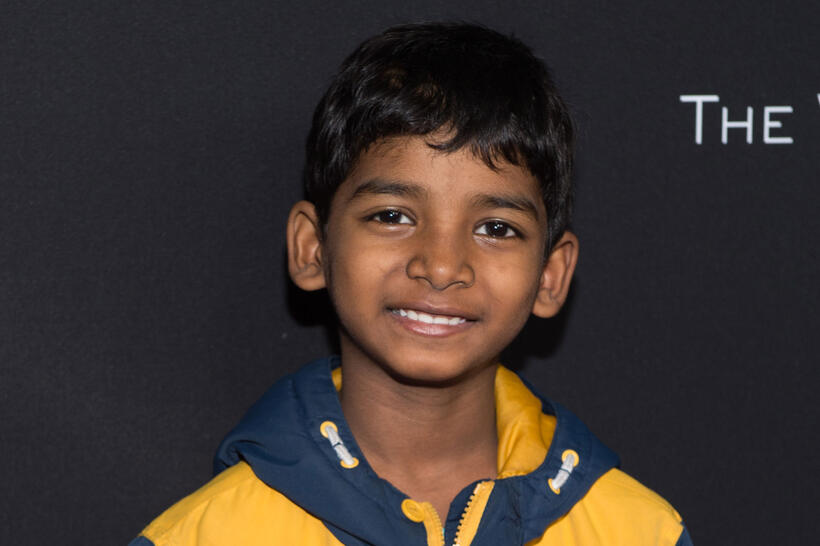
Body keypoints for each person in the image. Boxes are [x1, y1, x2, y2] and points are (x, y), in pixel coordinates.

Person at [129, 22, 692, 546]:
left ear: (550, 275)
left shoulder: (638, 531)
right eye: (392, 216)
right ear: (312, 247)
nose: (442, 266)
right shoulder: (208, 535)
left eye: (496, 228)